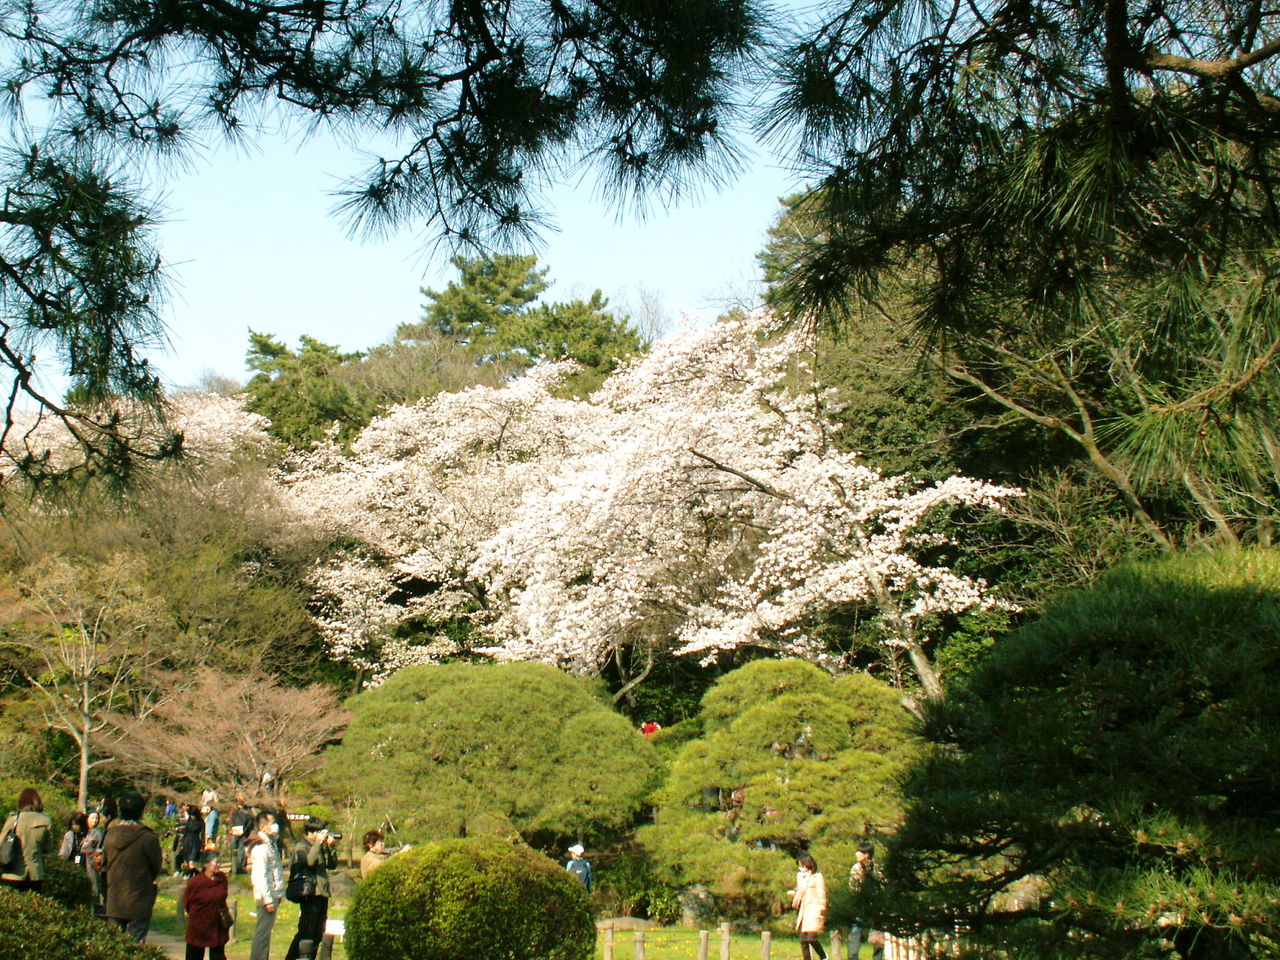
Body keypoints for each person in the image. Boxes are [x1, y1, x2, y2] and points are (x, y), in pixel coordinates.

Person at [103, 790, 163, 943]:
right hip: (139, 898)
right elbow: (155, 867)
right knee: (136, 946)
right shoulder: (148, 837)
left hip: (115, 897)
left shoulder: (110, 835)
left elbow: (104, 862)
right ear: (141, 812)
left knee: (114, 945)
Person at [284, 816, 338, 960]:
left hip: (322, 893)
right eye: (319, 832)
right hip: (309, 893)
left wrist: (331, 847)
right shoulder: (301, 846)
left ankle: (310, 957)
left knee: (318, 932)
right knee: (306, 931)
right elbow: (309, 861)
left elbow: (332, 865)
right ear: (311, 832)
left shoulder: (319, 846)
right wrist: (318, 844)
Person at [0, 787, 54, 892]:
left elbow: (1, 843)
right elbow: (48, 848)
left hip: (12, 873)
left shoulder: (14, 819)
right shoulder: (46, 820)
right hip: (35, 874)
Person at [248, 812, 285, 960]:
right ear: (263, 827)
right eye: (272, 823)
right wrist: (268, 899)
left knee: (266, 933)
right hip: (266, 897)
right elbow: (260, 876)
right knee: (262, 934)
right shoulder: (261, 848)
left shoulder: (271, 844)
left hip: (273, 894)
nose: (275, 826)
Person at [182, 850, 231, 960]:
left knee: (218, 954)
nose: (219, 865)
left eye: (220, 862)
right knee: (194, 954)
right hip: (199, 923)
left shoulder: (222, 878)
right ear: (206, 864)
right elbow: (187, 901)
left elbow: (223, 897)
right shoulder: (196, 882)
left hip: (217, 922)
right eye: (216, 862)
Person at [847, 843, 884, 960]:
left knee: (857, 932)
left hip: (865, 904)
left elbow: (853, 887)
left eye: (859, 852)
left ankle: (854, 958)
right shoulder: (877, 867)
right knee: (867, 932)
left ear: (866, 855)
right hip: (873, 903)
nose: (856, 854)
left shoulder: (859, 868)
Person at [791, 854, 828, 960]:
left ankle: (823, 956)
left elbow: (821, 892)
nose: (801, 869)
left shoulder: (817, 876)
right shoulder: (800, 877)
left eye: (803, 866)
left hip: (814, 909)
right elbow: (799, 891)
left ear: (808, 865)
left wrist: (822, 906)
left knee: (811, 938)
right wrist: (794, 894)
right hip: (803, 910)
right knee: (803, 940)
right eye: (799, 866)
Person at [177, 804, 206, 876]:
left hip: (195, 842)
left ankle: (193, 874)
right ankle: (193, 874)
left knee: (191, 861)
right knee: (186, 861)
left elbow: (202, 835)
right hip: (187, 842)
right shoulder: (188, 821)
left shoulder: (201, 822)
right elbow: (185, 832)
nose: (192, 817)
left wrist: (203, 845)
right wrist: (182, 843)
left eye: (193, 815)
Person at [229, 797, 255, 874]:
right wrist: (232, 830)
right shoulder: (235, 812)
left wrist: (244, 831)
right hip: (236, 833)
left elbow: (250, 823)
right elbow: (231, 822)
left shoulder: (247, 812)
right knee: (234, 851)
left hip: (243, 834)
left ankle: (239, 867)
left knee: (241, 851)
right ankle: (234, 867)